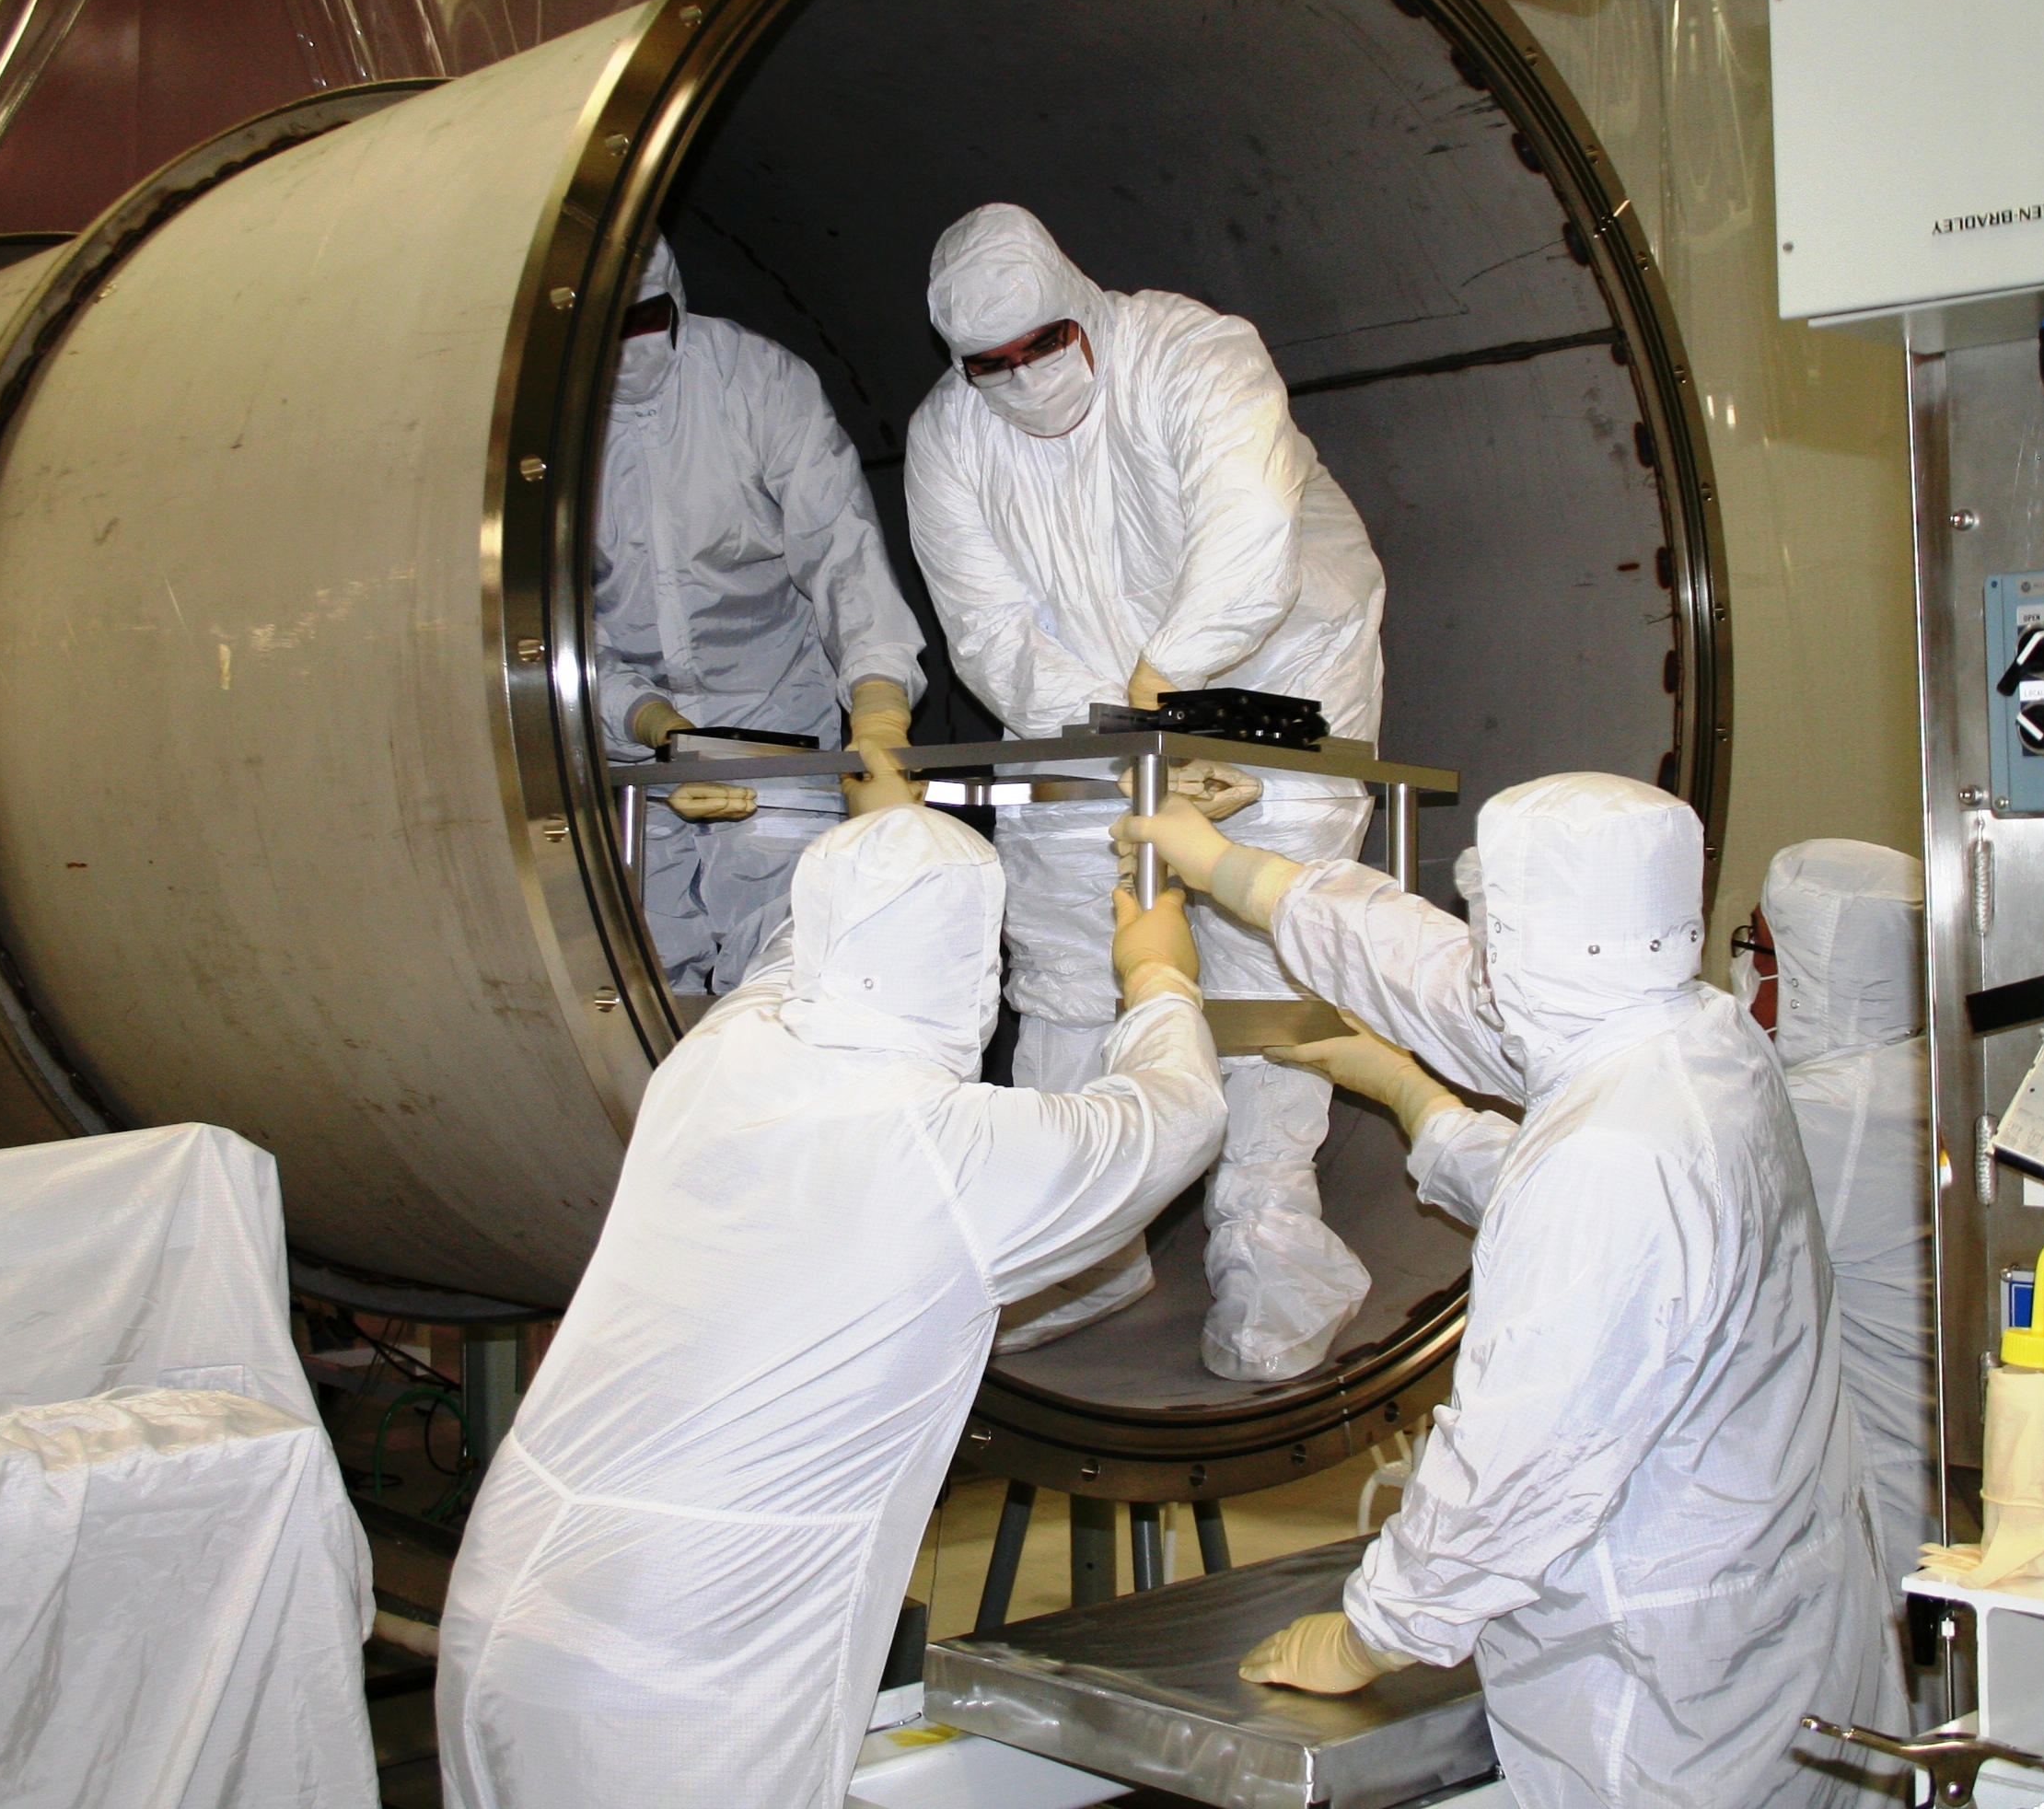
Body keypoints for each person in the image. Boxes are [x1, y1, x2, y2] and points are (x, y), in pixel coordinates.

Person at [436, 755, 1226, 1809]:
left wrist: (878, 846)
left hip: (508, 1589)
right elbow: (1175, 1119)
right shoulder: (949, 1151)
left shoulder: (719, 1055)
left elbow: (796, 956)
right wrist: (1159, 975)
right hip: (683, 1666)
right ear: (976, 959)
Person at [1117, 772, 1902, 1808]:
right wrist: (1236, 872)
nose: (1477, 950)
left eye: (1491, 923)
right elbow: (1450, 989)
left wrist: (1372, 1633)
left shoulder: (1609, 1159)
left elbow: (1521, 1460)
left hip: (1662, 1695)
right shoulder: (1699, 1040)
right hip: (1772, 1623)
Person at [904, 203, 1388, 1382]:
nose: (1023, 378)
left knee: (1264, 961)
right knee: (1073, 956)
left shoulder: (1195, 353)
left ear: (1080, 301)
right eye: (991, 365)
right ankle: (1078, 1244)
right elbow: (988, 627)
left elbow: (1249, 539)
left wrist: (1168, 684)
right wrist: (1122, 729)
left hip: (1281, 681)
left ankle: (1274, 1245)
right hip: (1090, 711)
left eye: (1042, 345)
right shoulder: (946, 437)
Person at [597, 238, 928, 993]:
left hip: (775, 727)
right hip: (629, 750)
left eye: (644, 320)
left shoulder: (758, 383)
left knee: (784, 966)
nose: (630, 346)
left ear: (675, 301)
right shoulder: (549, 428)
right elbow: (552, 621)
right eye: (608, 329)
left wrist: (879, 705)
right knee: (640, 975)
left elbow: (841, 553)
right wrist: (648, 722)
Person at [1741, 840, 1935, 1592]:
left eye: (1757, 949)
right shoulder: (1918, 1076)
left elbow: (1615, 1202)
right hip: (1934, 1484)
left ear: (1810, 977)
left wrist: (1425, 1106)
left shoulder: (1819, 1115)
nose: (1743, 972)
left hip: (1881, 1518)